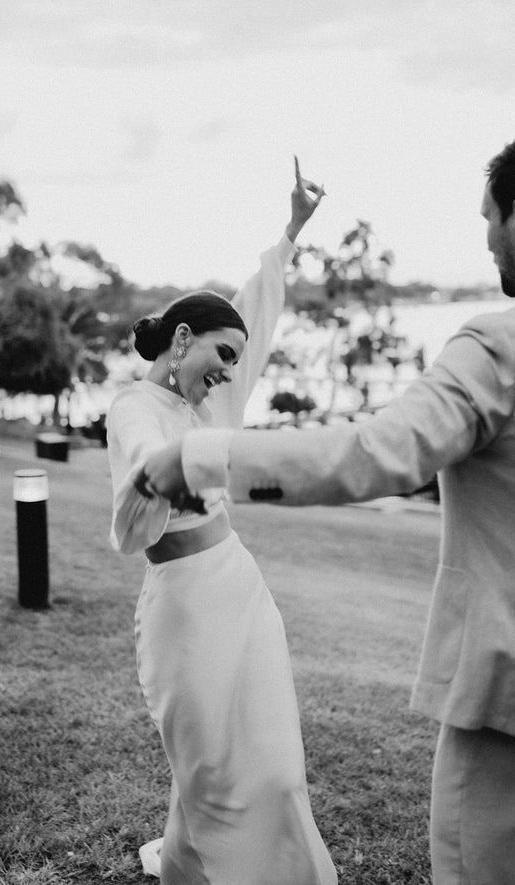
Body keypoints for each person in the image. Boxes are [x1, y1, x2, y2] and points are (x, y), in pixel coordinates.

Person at [141, 139, 515, 885]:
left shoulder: (497, 346)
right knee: (206, 753)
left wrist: (203, 458)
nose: (485, 239)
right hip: (184, 600)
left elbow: (374, 450)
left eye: (489, 219)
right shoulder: (138, 408)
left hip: (499, 684)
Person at [107, 159, 338, 884]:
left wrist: (291, 231)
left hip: (241, 590)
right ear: (182, 339)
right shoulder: (134, 407)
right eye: (221, 356)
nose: (232, 372)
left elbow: (254, 314)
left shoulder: (214, 403)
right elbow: (145, 470)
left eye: (236, 362)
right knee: (208, 770)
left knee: (274, 763)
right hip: (183, 610)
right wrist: (176, 469)